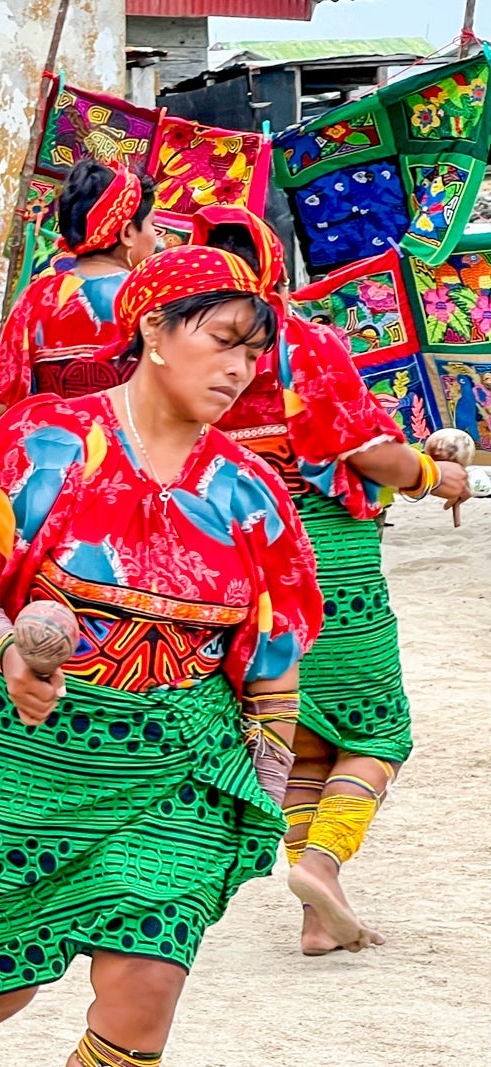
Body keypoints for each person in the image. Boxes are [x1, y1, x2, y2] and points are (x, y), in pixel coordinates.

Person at [0, 246, 324, 1066]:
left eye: (254, 350)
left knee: (148, 985)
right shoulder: (45, 444)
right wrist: (5, 649)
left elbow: (272, 654)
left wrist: (267, 785)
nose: (241, 367)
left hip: (180, 763)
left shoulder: (250, 490)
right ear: (154, 328)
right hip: (33, 758)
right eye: (224, 339)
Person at [193, 205, 472, 954]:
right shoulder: (300, 344)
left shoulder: (188, 358)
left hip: (237, 558)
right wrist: (434, 475)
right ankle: (321, 862)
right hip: (325, 556)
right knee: (379, 730)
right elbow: (368, 452)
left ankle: (318, 917)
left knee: (303, 738)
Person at [0, 158, 161, 428]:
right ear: (126, 233)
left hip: (53, 455)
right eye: (151, 224)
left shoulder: (36, 297)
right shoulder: (147, 297)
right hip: (132, 457)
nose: (156, 237)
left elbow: (3, 399)